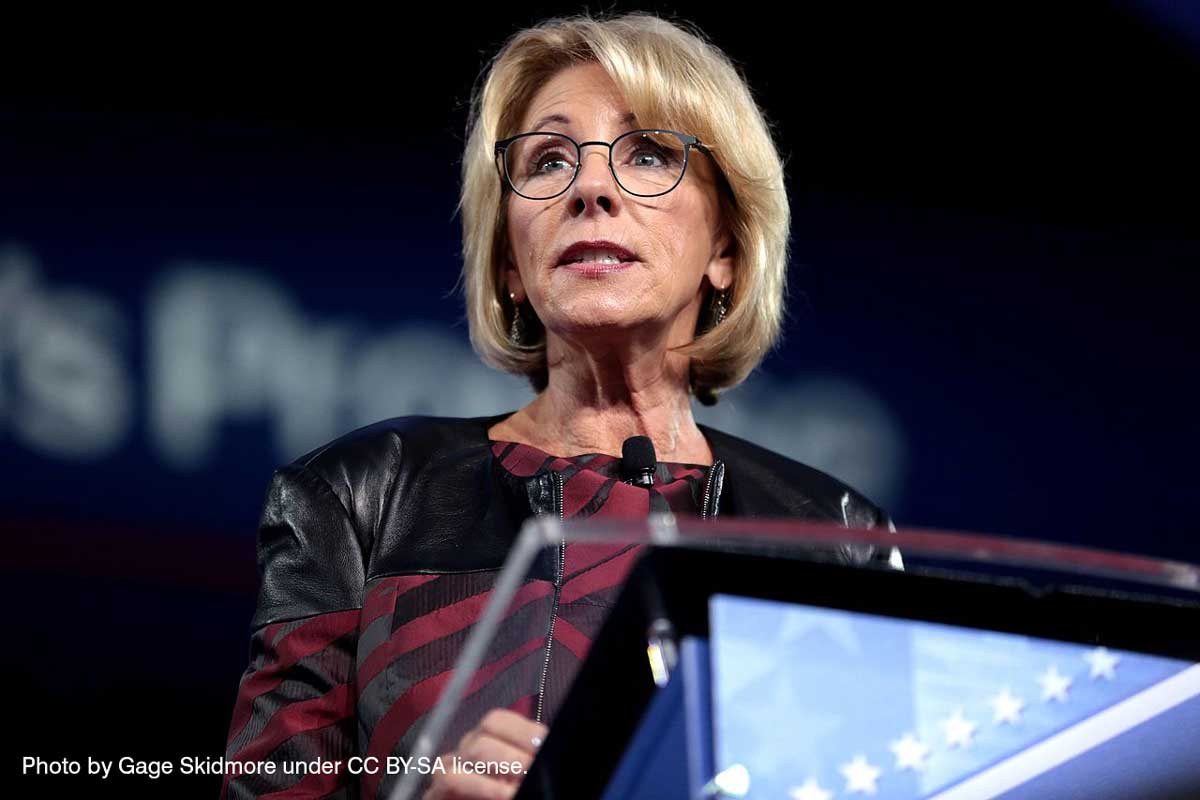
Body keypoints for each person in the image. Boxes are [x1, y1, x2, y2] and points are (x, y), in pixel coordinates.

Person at [221, 12, 897, 800]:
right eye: (548, 160)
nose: (591, 187)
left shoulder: (836, 535)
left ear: (726, 249)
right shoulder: (360, 497)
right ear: (510, 260)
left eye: (648, 153)